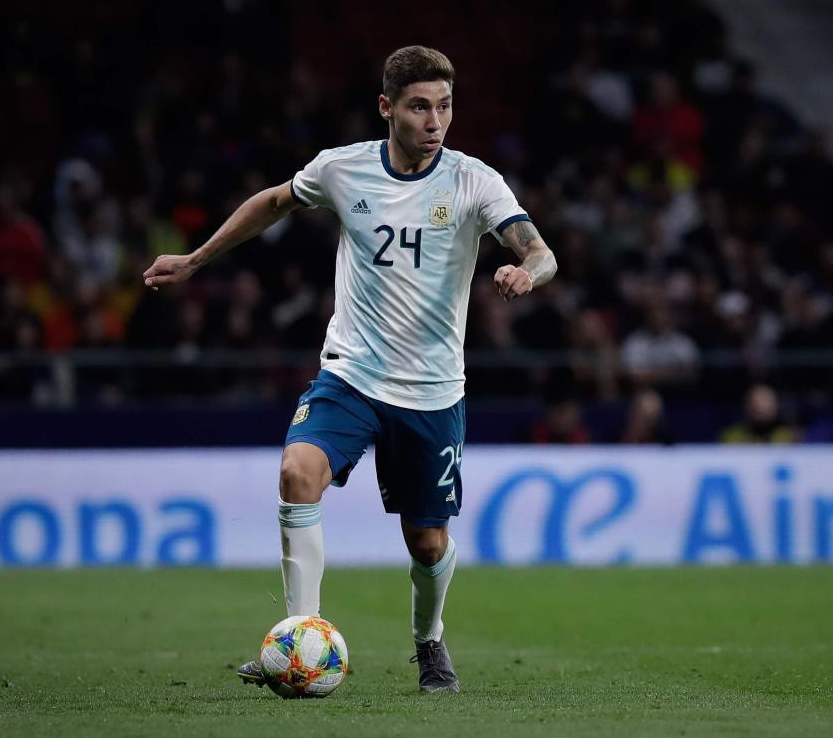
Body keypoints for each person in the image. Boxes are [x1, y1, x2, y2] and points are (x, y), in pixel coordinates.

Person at [142, 46, 557, 693]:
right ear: (387, 108)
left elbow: (540, 250)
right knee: (295, 471)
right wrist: (197, 260)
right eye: (420, 105)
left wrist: (523, 271)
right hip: (351, 375)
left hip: (432, 391)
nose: (435, 120)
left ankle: (429, 643)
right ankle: (297, 642)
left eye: (445, 106)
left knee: (426, 542)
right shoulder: (344, 170)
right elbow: (276, 202)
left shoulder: (475, 181)